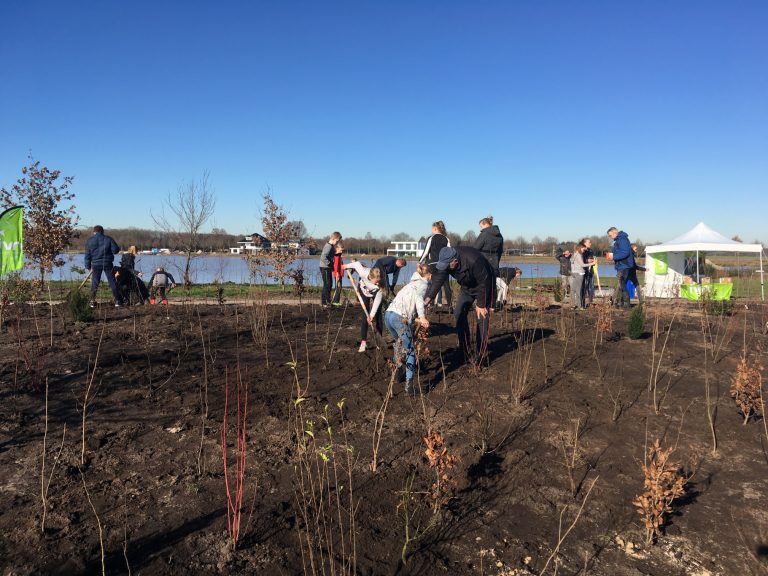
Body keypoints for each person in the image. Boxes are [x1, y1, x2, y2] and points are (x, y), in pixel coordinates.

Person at [424, 246, 495, 364]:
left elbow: (485, 281)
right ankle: (464, 350)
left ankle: (481, 354)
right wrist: (429, 298)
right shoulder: (447, 259)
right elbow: (439, 278)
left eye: (447, 265)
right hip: (467, 287)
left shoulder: (474, 259)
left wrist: (481, 304)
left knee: (482, 317)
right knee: (458, 313)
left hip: (485, 286)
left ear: (455, 261)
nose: (445, 268)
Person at [384, 263, 431, 393]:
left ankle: (398, 375)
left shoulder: (410, 283)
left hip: (388, 315)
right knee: (410, 350)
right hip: (399, 318)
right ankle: (409, 388)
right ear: (429, 275)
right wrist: (422, 317)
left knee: (399, 344)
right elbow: (419, 300)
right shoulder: (423, 284)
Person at [344, 261, 384, 352]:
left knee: (378, 315)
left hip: (375, 294)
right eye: (376, 282)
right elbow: (356, 264)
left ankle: (379, 339)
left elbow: (377, 301)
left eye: (378, 281)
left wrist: (372, 315)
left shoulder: (380, 286)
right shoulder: (363, 272)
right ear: (370, 277)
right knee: (365, 316)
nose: (377, 283)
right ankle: (363, 342)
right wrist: (346, 266)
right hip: (364, 292)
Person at [84, 225, 123, 307]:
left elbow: (87, 255)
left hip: (95, 264)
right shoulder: (109, 239)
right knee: (112, 282)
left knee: (95, 283)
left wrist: (88, 266)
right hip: (107, 263)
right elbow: (115, 250)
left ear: (94, 232)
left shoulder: (89, 241)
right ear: (102, 231)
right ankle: (118, 301)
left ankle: (91, 301)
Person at [418, 220, 452, 310]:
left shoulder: (431, 238)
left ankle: (431, 305)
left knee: (433, 285)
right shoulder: (446, 239)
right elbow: (450, 252)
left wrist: (419, 262)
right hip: (444, 265)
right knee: (446, 285)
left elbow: (426, 252)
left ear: (435, 228)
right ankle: (450, 305)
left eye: (432, 229)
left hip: (432, 265)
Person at [606, 227, 635, 308]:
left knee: (622, 284)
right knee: (622, 284)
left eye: (610, 235)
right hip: (621, 265)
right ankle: (621, 303)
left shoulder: (622, 240)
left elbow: (625, 252)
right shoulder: (619, 240)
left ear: (614, 233)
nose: (610, 237)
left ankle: (626, 303)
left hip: (624, 265)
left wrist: (613, 257)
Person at [319, 231, 342, 308]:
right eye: (337, 241)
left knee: (328, 284)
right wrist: (330, 264)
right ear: (333, 238)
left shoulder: (331, 246)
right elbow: (323, 257)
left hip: (327, 267)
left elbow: (330, 255)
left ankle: (325, 302)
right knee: (327, 284)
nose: (337, 242)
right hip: (325, 267)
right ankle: (326, 302)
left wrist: (337, 253)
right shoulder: (328, 246)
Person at [569, 244, 594, 309]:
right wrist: (592, 263)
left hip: (573, 273)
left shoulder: (574, 254)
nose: (584, 250)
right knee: (578, 290)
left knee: (573, 289)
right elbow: (582, 265)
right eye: (583, 249)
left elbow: (576, 263)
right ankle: (580, 306)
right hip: (580, 273)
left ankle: (572, 305)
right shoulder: (579, 255)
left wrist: (587, 261)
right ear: (580, 248)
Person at [581, 238, 595, 306]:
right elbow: (580, 261)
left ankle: (590, 302)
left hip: (591, 271)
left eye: (590, 242)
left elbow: (593, 258)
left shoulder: (591, 250)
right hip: (584, 271)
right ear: (584, 243)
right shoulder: (582, 251)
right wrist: (587, 261)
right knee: (584, 287)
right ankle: (582, 302)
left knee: (591, 287)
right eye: (589, 242)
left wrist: (593, 261)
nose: (590, 244)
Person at [331, 241, 345, 306]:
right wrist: (337, 273)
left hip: (339, 274)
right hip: (337, 274)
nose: (342, 252)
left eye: (342, 250)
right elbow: (336, 266)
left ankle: (336, 301)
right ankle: (335, 301)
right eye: (341, 250)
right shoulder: (336, 256)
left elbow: (340, 265)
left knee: (339, 287)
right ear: (337, 249)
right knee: (338, 287)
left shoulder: (339, 256)